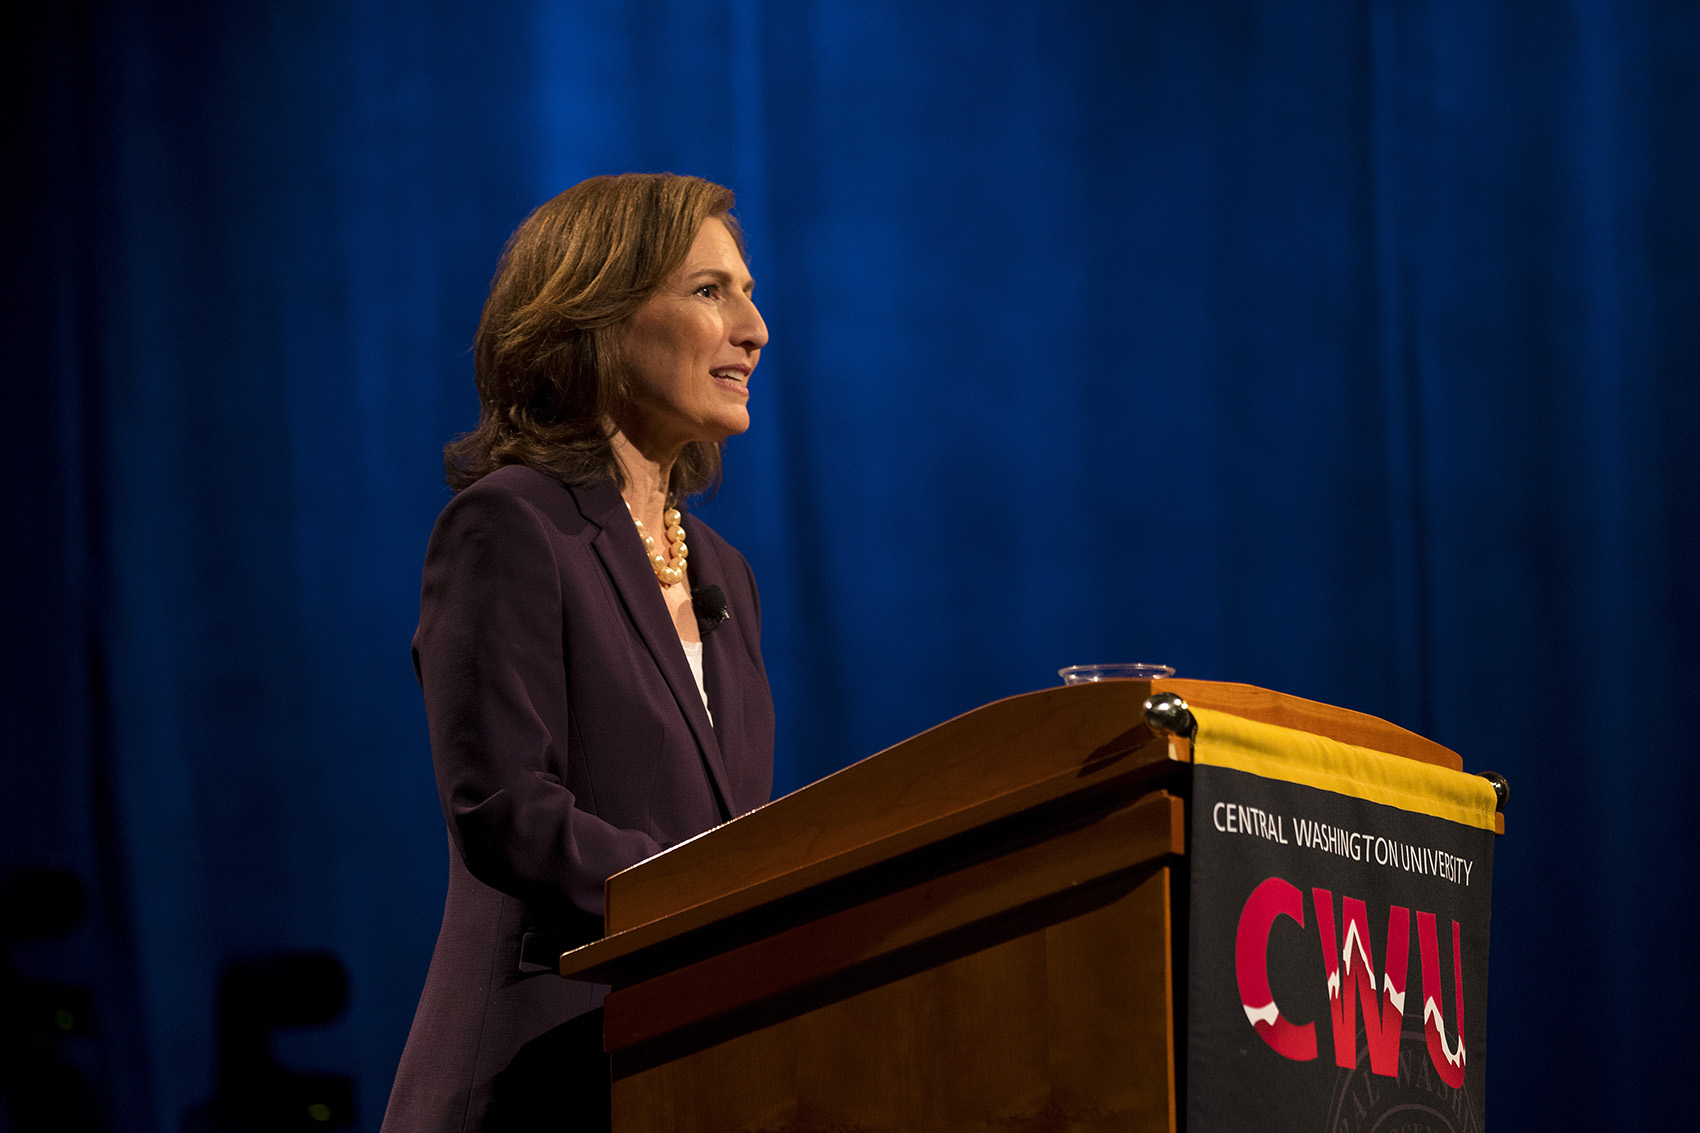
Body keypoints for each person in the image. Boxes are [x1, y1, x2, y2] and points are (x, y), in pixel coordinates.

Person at [381, 174, 775, 1132]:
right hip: (534, 1078)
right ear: (596, 314)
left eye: (749, 292)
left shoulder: (726, 571)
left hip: (684, 1073)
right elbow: (504, 808)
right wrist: (718, 890)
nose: (755, 329)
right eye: (710, 290)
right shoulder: (509, 525)